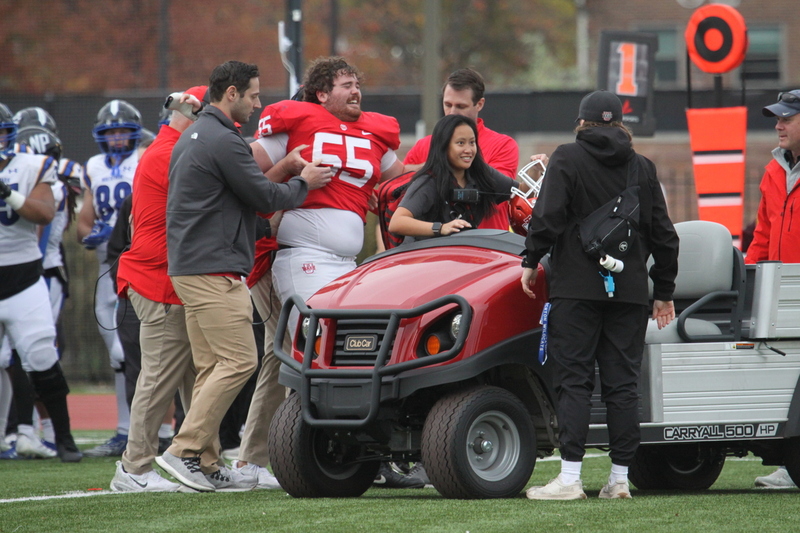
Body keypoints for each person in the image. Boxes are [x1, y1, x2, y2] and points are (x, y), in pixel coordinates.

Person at [231, 56, 408, 487]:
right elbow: (248, 178)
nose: (355, 90)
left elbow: (401, 184)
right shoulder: (296, 121)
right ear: (321, 92)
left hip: (348, 264)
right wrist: (291, 171)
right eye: (345, 84)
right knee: (312, 351)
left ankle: (347, 447)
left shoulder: (374, 132)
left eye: (357, 83)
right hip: (296, 254)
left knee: (335, 352)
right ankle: (278, 453)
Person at [155, 60, 331, 492]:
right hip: (212, 268)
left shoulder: (197, 135)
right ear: (230, 93)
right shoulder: (223, 138)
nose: (258, 103)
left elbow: (229, 204)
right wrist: (302, 180)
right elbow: (263, 195)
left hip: (193, 264)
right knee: (240, 361)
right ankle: (183, 451)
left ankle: (210, 463)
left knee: (211, 365)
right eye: (253, 95)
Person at [521, 90, 678, 500]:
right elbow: (665, 236)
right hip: (628, 291)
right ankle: (620, 479)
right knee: (622, 385)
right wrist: (663, 291)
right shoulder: (642, 167)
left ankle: (571, 478)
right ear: (620, 123)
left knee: (573, 381)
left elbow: (548, 216)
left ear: (582, 123)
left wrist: (530, 258)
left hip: (576, 288)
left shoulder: (566, 158)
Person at [108, 87, 208, 493]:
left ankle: (201, 459)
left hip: (165, 277)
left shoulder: (168, 148)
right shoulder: (172, 154)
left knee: (188, 376)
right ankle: (133, 467)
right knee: (158, 376)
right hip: (159, 279)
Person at [0, 101, 82, 463]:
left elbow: (44, 213)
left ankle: (62, 438)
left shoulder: (32, 165)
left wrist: (7, 193)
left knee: (42, 355)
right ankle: (15, 434)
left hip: (23, 277)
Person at [77, 99, 143, 458]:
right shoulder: (93, 166)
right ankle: (125, 429)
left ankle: (154, 429)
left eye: (123, 131)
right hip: (108, 267)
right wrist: (92, 234)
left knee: (140, 352)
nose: (117, 139)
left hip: (138, 261)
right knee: (120, 355)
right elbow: (82, 224)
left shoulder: (144, 158)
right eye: (111, 132)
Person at [746, 89, 800, 490]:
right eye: (776, 118)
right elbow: (763, 233)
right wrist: (746, 278)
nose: (778, 125)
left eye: (787, 118)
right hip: (780, 292)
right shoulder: (773, 170)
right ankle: (790, 463)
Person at [401, 67, 520, 230]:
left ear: (479, 104)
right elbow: (400, 196)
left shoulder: (503, 145)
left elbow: (499, 190)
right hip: (438, 250)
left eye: (461, 106)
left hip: (488, 248)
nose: (452, 113)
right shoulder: (424, 145)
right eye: (447, 105)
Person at [389, 114, 516, 240]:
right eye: (460, 143)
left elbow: (520, 191)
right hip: (429, 257)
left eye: (472, 142)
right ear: (443, 147)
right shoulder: (428, 182)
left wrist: (536, 170)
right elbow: (397, 223)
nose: (468, 150)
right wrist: (442, 228)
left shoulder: (481, 173)